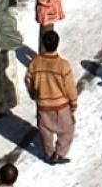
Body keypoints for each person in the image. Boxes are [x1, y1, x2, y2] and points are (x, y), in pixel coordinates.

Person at [25, 30, 78, 165]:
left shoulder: (35, 63)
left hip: (43, 105)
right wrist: (73, 102)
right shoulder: (63, 65)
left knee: (45, 132)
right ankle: (59, 153)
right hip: (61, 106)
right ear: (57, 44)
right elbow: (70, 87)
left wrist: (34, 94)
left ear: (43, 44)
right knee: (67, 130)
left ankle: (49, 155)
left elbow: (28, 81)